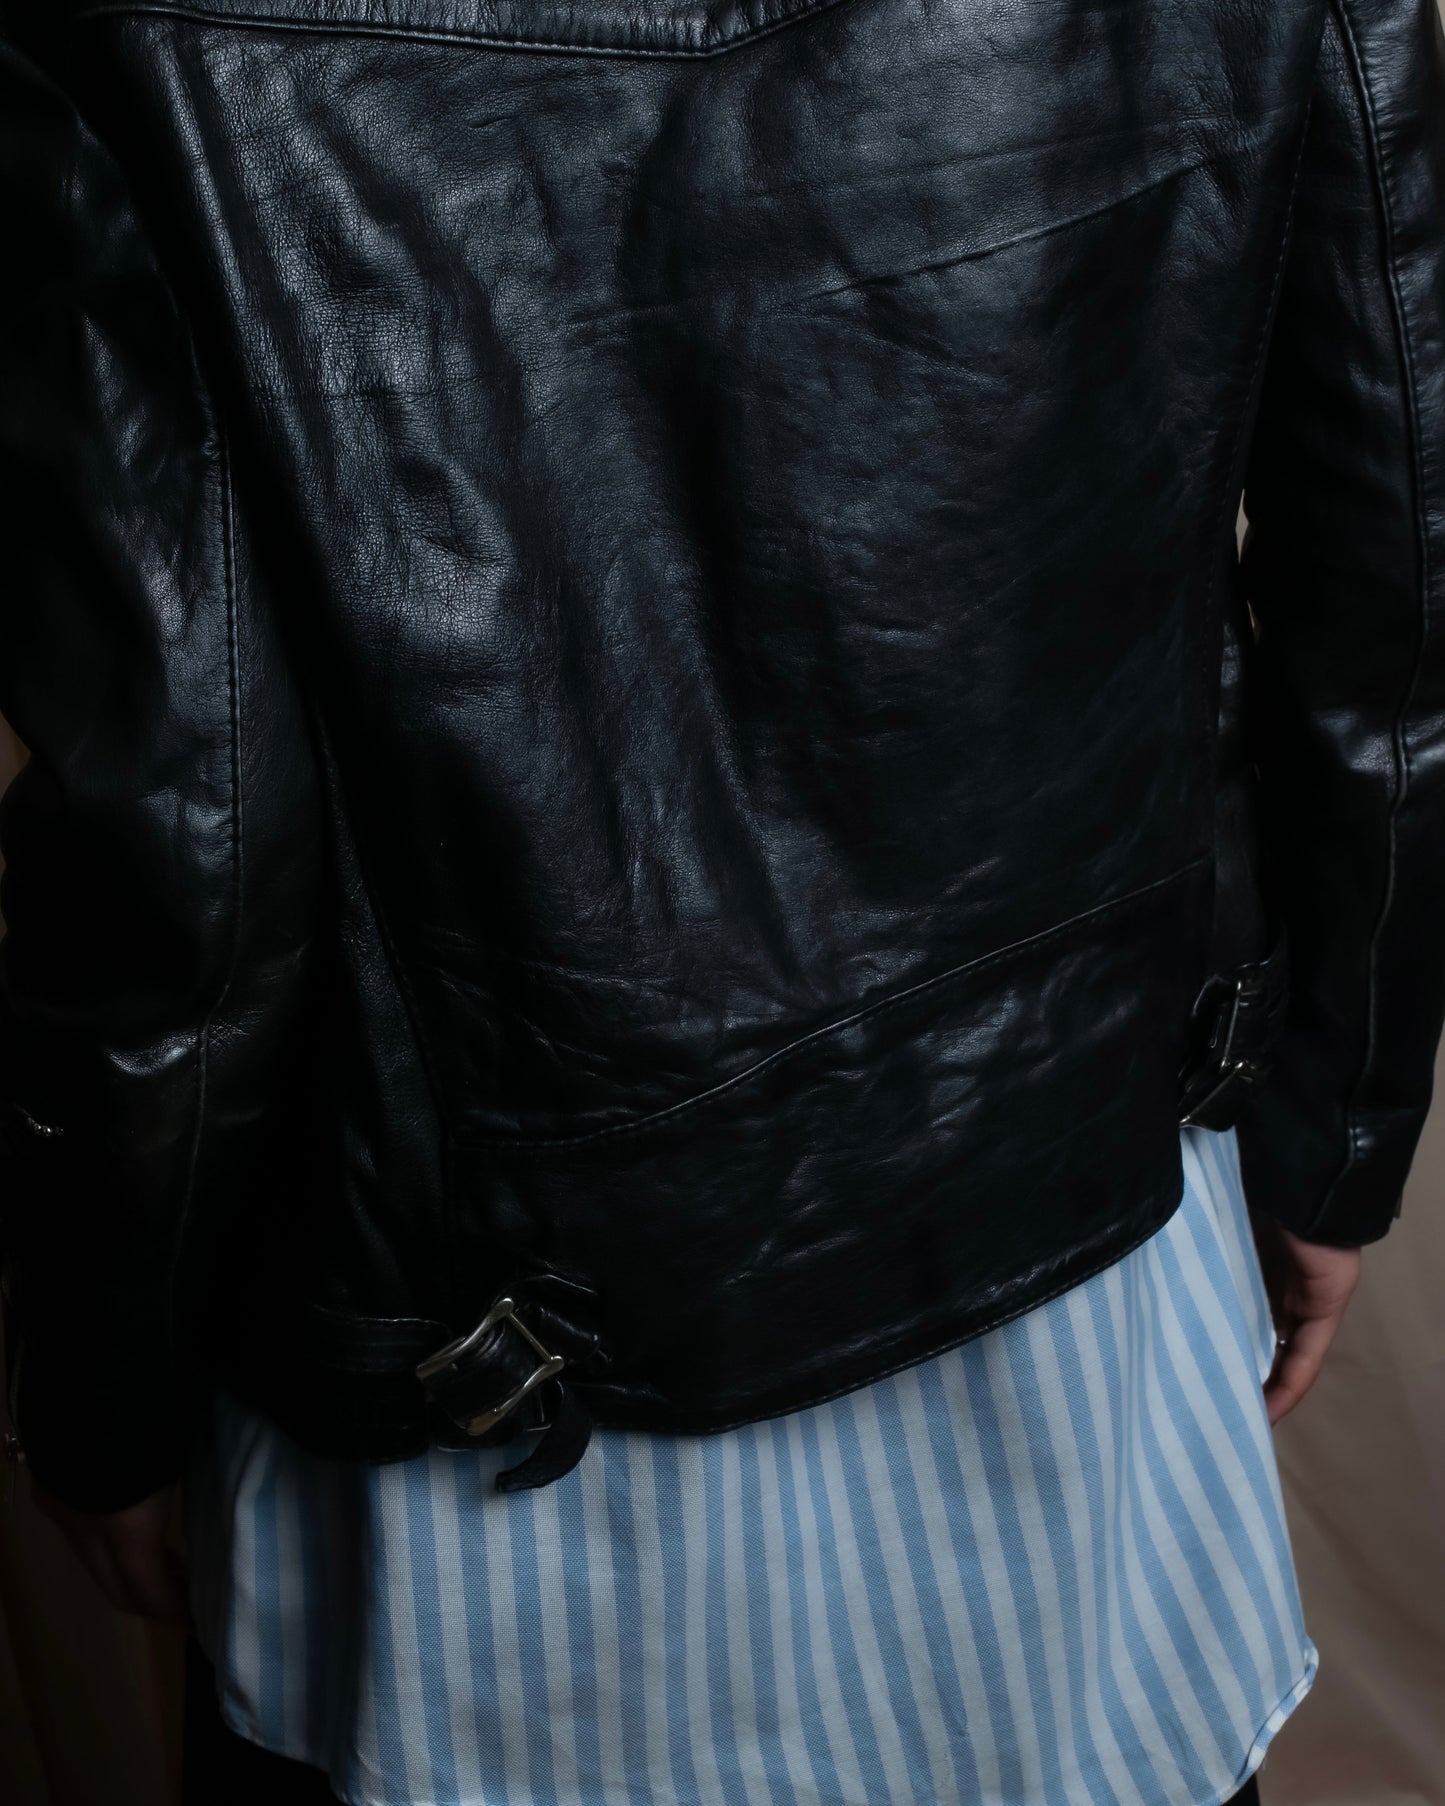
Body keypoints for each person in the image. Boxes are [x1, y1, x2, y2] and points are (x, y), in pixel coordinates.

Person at [0, 0, 1441, 1800]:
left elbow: (180, 813)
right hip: (1067, 1219)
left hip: (481, 1358)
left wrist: (107, 1382)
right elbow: (1389, 587)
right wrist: (1334, 1120)